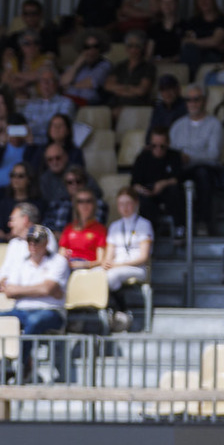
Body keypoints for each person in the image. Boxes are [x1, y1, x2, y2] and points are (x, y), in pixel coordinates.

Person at [0, 226, 70, 376]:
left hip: (51, 311)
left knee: (34, 321)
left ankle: (20, 366)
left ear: (46, 242)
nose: (32, 244)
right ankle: (1, 363)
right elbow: (9, 292)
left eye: (37, 241)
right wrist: (40, 289)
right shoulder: (20, 262)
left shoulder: (58, 261)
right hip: (21, 310)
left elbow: (47, 289)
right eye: (29, 240)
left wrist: (21, 290)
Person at [169, 84, 224, 231]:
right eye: (188, 100)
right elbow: (171, 152)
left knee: (202, 174)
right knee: (170, 179)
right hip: (182, 169)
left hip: (207, 170)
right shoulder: (177, 125)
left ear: (204, 101)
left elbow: (213, 155)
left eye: (196, 99)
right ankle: (179, 226)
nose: (192, 103)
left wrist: (190, 157)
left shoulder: (214, 124)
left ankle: (203, 222)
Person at [104, 188, 153, 326]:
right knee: (95, 274)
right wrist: (107, 263)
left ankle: (122, 310)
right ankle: (103, 311)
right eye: (121, 204)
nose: (125, 207)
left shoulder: (144, 224)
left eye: (128, 203)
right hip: (116, 266)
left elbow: (144, 257)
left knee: (111, 276)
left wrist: (117, 265)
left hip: (136, 267)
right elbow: (109, 254)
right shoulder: (114, 226)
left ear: (136, 203)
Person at [127, 127, 186, 234]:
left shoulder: (174, 156)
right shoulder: (142, 158)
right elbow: (134, 183)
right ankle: (149, 233)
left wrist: (163, 184)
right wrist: (143, 190)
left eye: (162, 146)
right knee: (144, 201)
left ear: (168, 144)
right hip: (147, 194)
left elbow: (179, 178)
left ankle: (179, 228)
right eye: (154, 146)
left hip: (167, 193)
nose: (158, 149)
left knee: (175, 191)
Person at [177, 0, 224, 68]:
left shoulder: (223, 20)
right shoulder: (193, 21)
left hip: (215, 57)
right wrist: (208, 42)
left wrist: (194, 41)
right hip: (194, 56)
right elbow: (185, 42)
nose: (203, 2)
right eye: (199, 0)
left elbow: (215, 41)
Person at [103, 30, 156, 107]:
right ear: (126, 47)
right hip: (117, 102)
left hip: (137, 104)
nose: (133, 50)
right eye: (130, 46)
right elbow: (108, 86)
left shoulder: (148, 67)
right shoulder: (120, 66)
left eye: (137, 46)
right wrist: (129, 89)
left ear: (142, 48)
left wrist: (120, 90)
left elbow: (142, 90)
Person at [23, 68, 75, 141]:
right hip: (31, 143)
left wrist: (31, 129)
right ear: (39, 84)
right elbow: (23, 126)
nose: (46, 84)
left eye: (50, 80)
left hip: (54, 144)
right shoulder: (31, 105)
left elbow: (59, 129)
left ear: (56, 83)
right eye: (43, 80)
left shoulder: (66, 103)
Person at [59, 190, 108, 267]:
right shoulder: (69, 228)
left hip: (88, 267)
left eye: (88, 201)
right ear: (76, 205)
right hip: (68, 266)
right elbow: (61, 255)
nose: (84, 205)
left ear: (94, 204)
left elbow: (100, 260)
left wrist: (84, 264)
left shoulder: (100, 229)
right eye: (80, 201)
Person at [1, 26, 54, 98]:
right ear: (21, 46)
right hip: (19, 99)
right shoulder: (14, 61)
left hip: (41, 98)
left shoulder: (48, 58)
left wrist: (16, 75)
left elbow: (38, 75)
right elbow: (4, 80)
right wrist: (20, 84)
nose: (32, 46)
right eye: (27, 43)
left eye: (36, 43)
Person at [61, 34, 112, 104]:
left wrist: (70, 87)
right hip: (69, 101)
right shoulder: (78, 65)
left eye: (96, 46)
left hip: (90, 103)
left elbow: (91, 82)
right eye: (87, 47)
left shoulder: (105, 64)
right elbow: (63, 82)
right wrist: (77, 64)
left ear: (100, 48)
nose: (92, 50)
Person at [145, 0, 186, 66]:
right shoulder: (154, 27)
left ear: (176, 4)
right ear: (160, 4)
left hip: (177, 66)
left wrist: (169, 60)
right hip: (156, 65)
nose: (167, 5)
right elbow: (148, 55)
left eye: (170, 2)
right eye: (164, 2)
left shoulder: (183, 25)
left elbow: (184, 52)